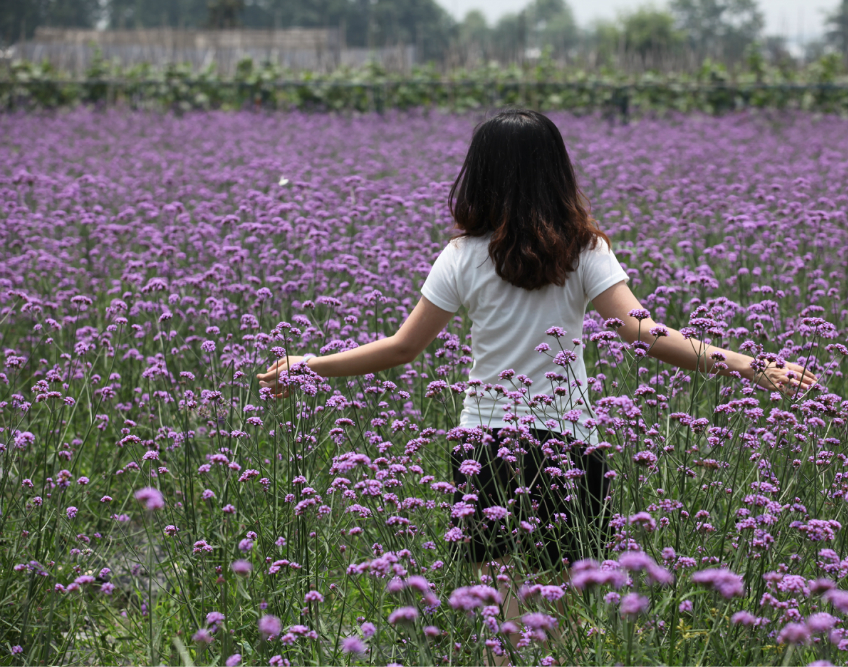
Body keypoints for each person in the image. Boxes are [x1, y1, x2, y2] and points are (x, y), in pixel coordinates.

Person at [257, 108, 817, 661]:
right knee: (562, 629)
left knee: (504, 622)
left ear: (478, 176)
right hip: (569, 448)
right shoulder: (584, 251)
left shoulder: (461, 256)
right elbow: (650, 335)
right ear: (557, 172)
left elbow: (403, 347)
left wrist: (309, 362)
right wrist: (753, 366)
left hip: (486, 448)